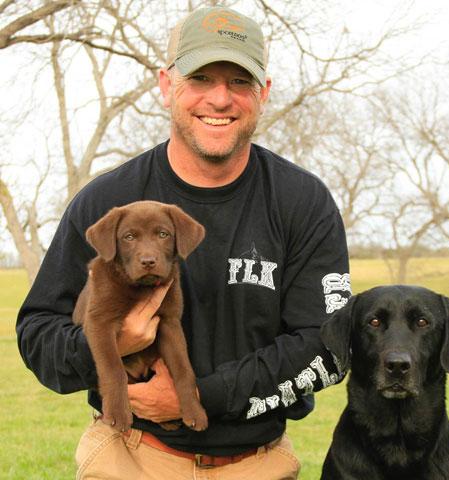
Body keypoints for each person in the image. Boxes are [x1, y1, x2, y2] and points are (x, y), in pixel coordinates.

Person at [16, 6, 350, 480]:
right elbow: (37, 334)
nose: (220, 98)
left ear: (264, 93)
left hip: (256, 463)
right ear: (167, 84)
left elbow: (327, 345)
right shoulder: (107, 203)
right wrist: (112, 346)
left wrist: (196, 396)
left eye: (239, 82)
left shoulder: (302, 202)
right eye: (200, 78)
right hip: (128, 456)